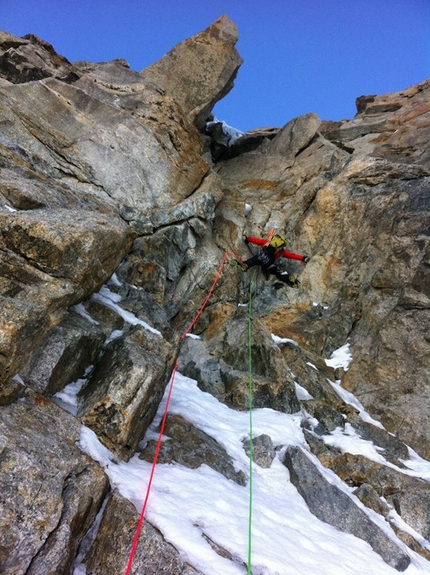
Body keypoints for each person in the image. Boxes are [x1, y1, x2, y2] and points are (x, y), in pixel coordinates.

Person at [236, 231, 310, 289]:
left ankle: (246, 265)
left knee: (256, 258)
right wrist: (303, 258)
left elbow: (257, 241)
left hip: (263, 258)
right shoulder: (282, 252)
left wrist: (247, 239)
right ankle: (290, 281)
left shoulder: (267, 243)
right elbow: (292, 255)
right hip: (272, 265)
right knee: (280, 272)